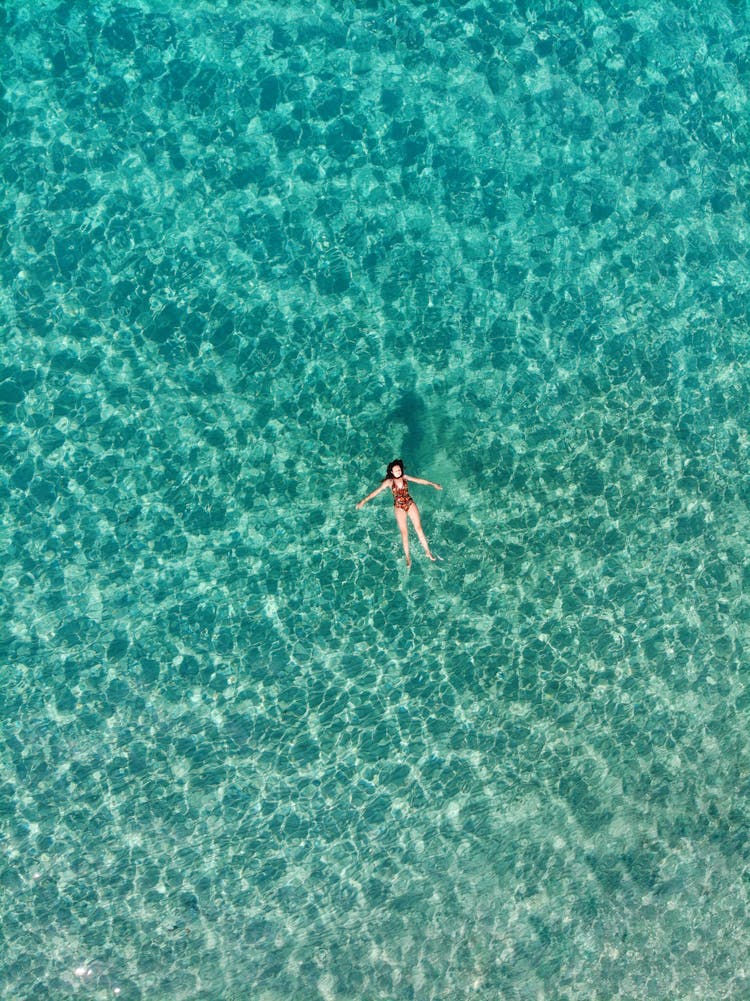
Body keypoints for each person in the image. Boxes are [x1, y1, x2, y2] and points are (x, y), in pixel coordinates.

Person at [356, 459, 442, 567]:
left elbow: (420, 481)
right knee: (404, 533)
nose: (398, 472)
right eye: (396, 470)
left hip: (410, 503)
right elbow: (376, 492)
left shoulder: (405, 477)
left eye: (399, 470)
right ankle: (407, 557)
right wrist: (363, 501)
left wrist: (433, 484)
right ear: (391, 472)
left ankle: (427, 551)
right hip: (399, 507)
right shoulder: (389, 482)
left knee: (419, 528)